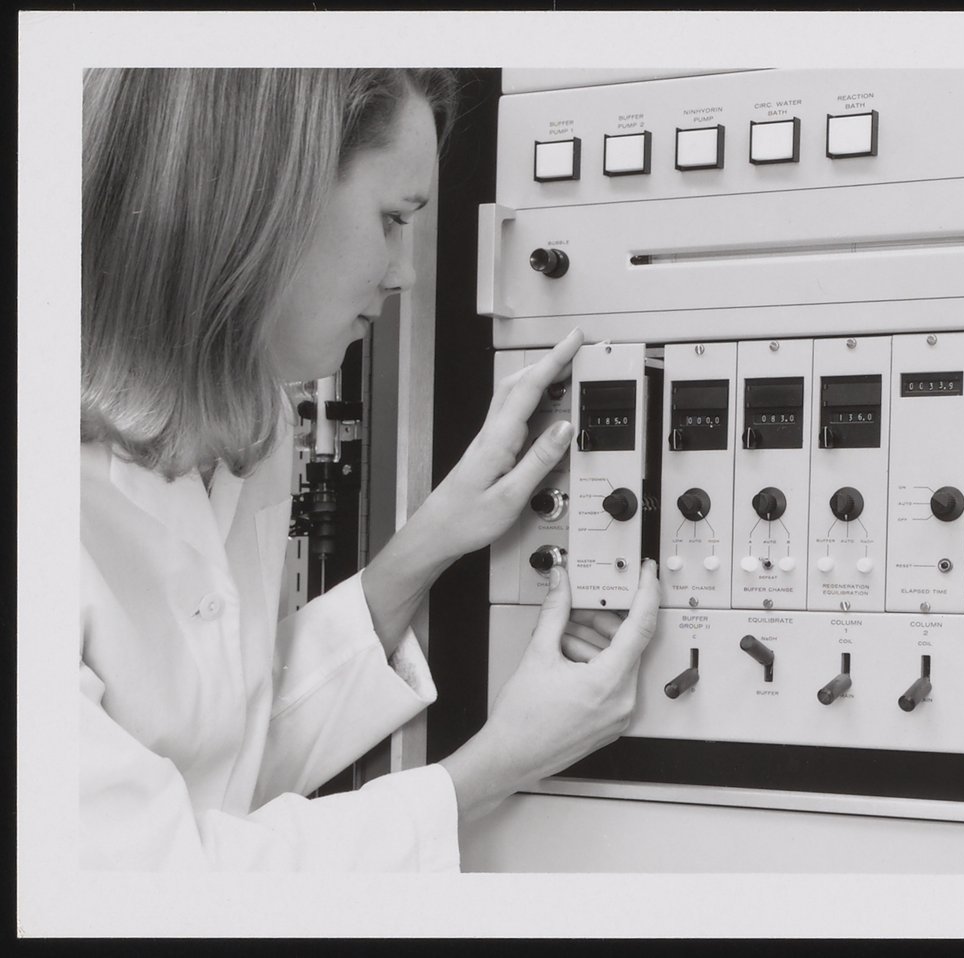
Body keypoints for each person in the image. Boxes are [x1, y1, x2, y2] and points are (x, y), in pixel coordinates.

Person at [79, 67, 660, 870]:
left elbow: (224, 762)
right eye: (393, 219)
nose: (405, 272)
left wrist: (431, 541)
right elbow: (153, 885)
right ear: (257, 198)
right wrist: (495, 765)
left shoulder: (246, 428)